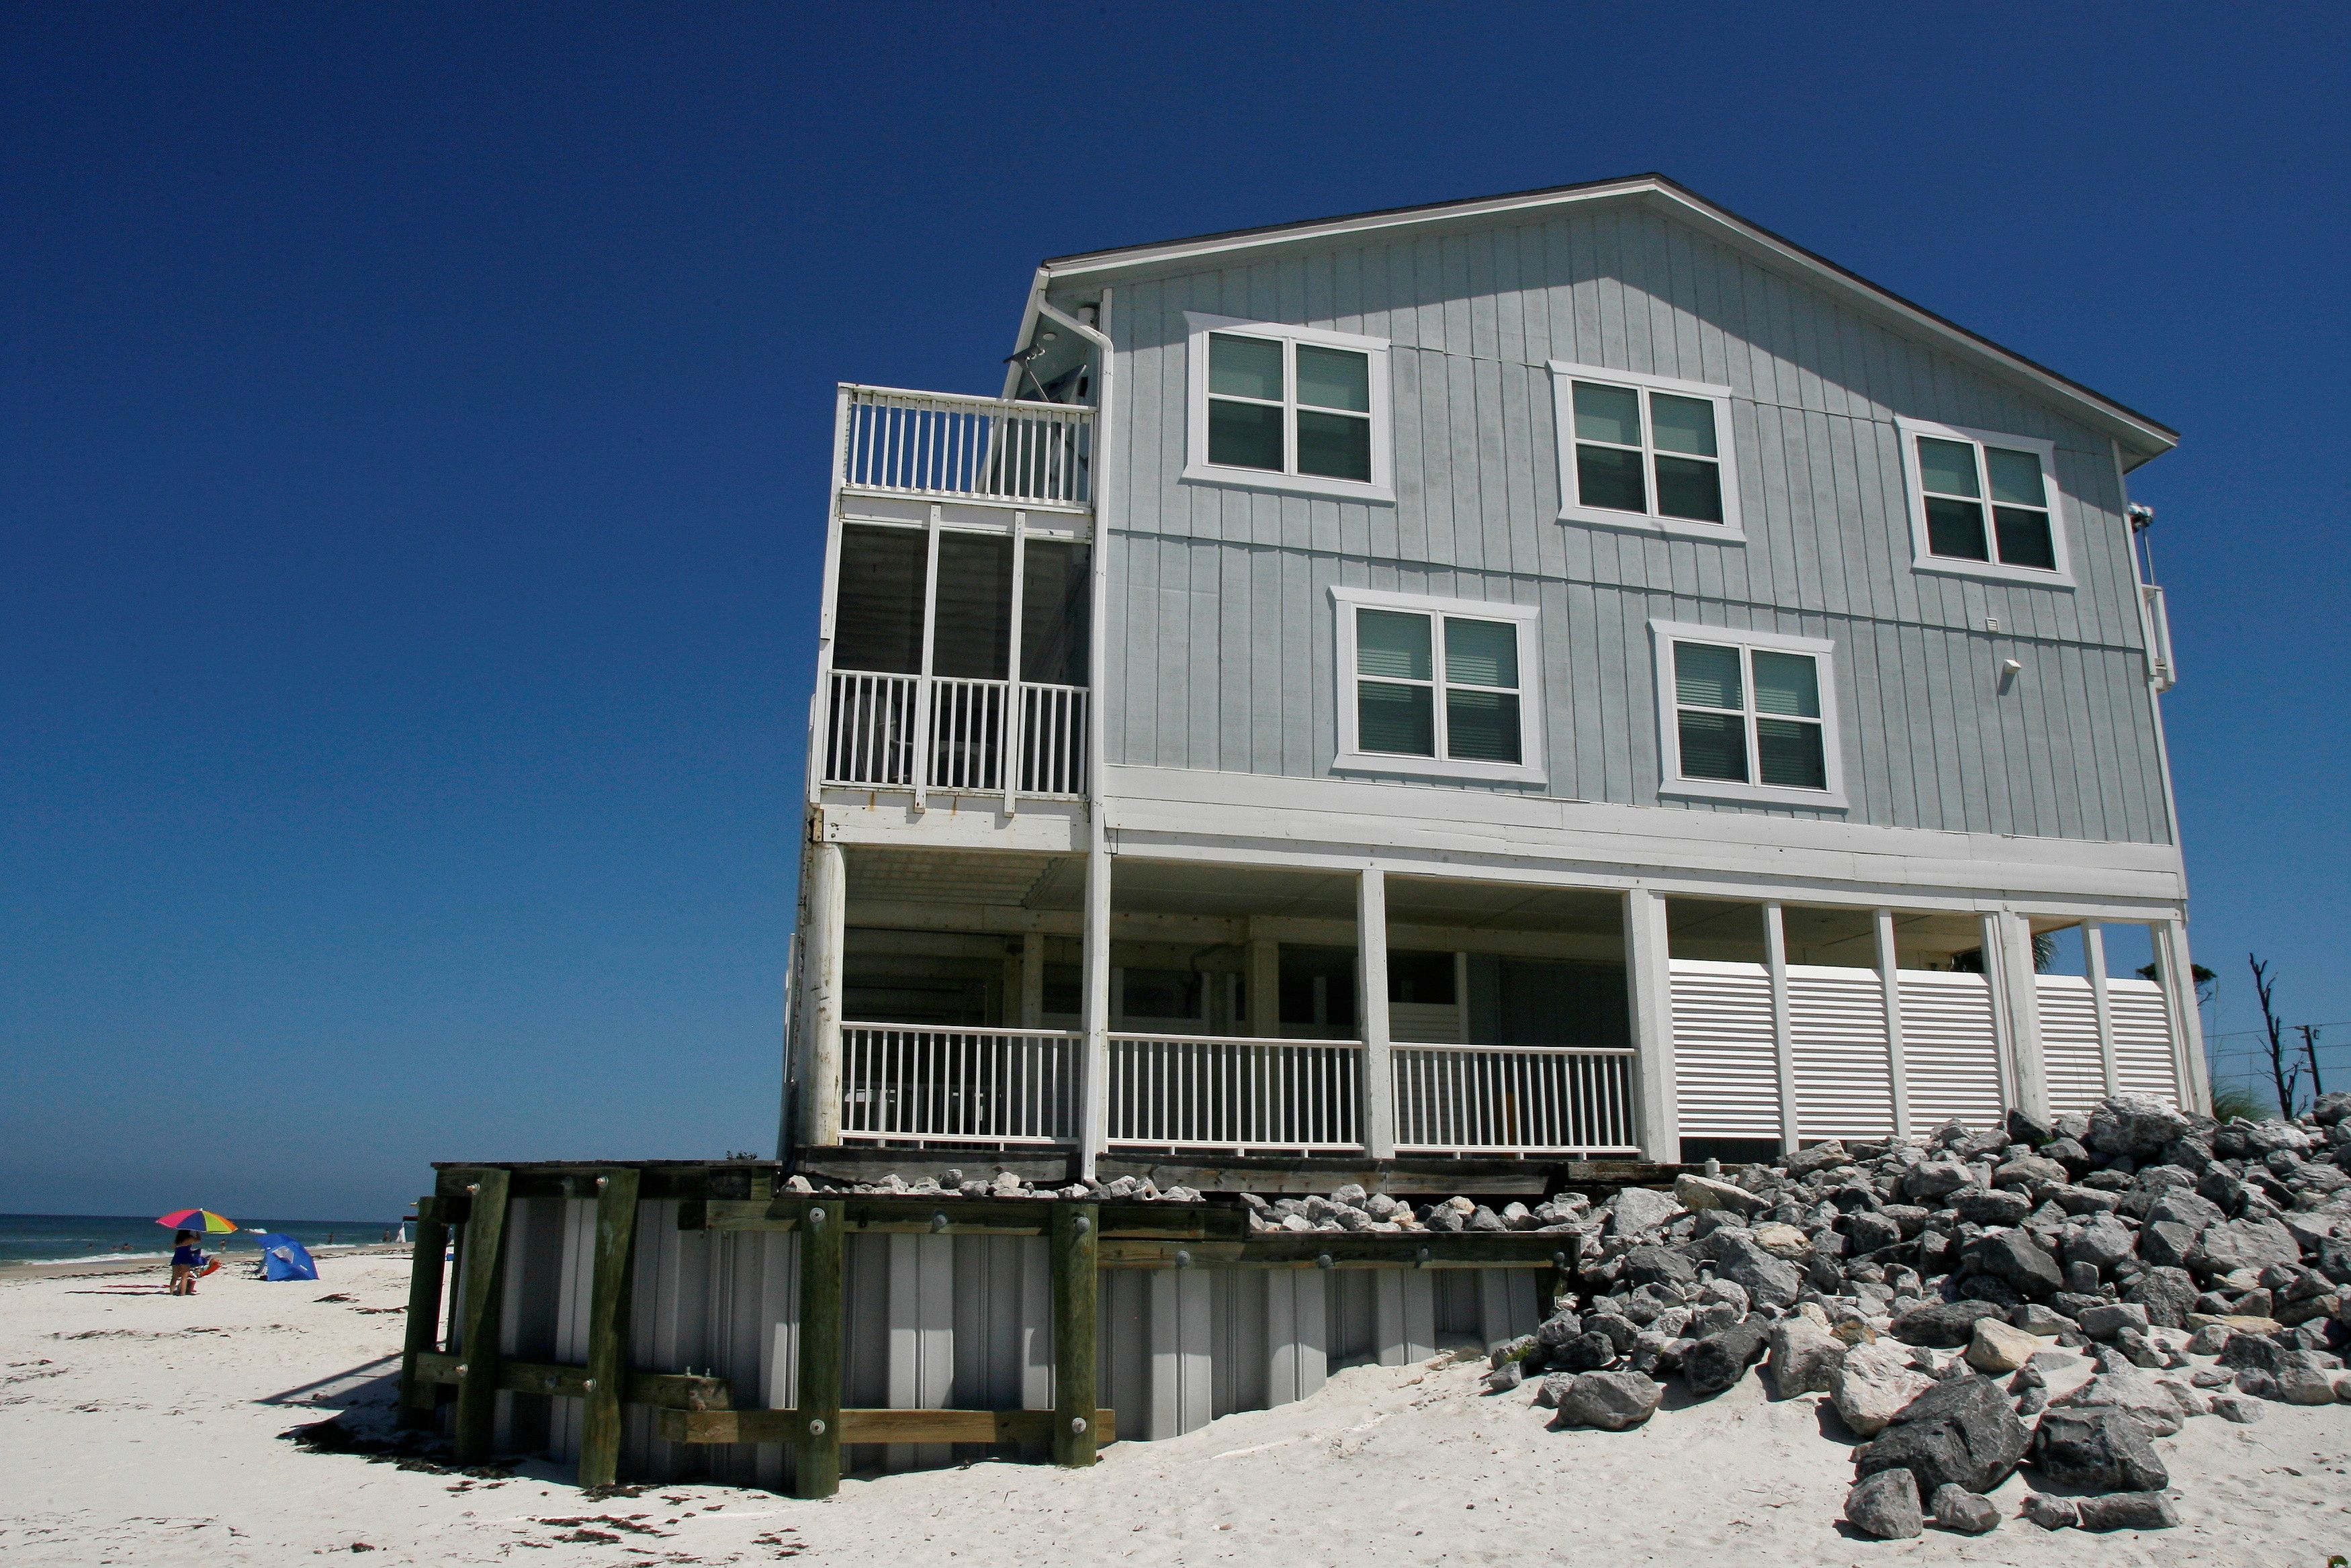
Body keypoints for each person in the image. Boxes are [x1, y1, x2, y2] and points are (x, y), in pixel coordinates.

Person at [169, 1230, 207, 1295]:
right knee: (184, 1277)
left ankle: (171, 1292)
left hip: (176, 1258)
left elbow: (173, 1247)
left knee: (174, 1277)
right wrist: (197, 1232)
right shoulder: (189, 1238)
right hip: (185, 1258)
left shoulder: (178, 1239)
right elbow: (198, 1240)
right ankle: (182, 1293)